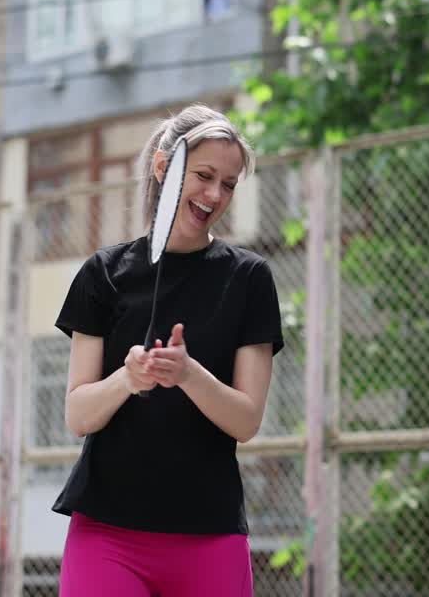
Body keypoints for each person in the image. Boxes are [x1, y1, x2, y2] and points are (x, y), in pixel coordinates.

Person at [52, 105, 284, 596]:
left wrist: (188, 374)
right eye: (203, 176)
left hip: (209, 532)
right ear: (163, 167)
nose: (215, 195)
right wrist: (127, 378)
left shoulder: (248, 279)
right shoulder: (103, 273)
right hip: (107, 533)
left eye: (228, 183)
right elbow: (78, 414)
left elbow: (246, 421)